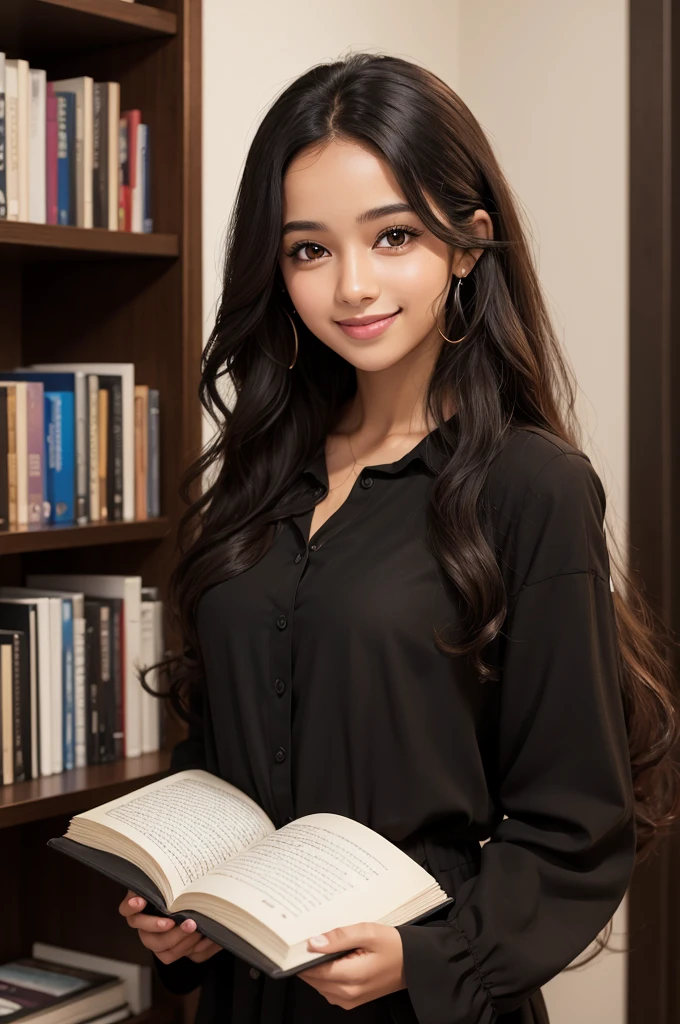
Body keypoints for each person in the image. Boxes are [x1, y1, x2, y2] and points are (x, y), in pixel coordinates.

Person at [118, 52, 680, 1024]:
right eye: (308, 250)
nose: (351, 285)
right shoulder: (252, 484)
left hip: (417, 1000)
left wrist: (432, 957)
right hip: (245, 995)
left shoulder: (530, 488)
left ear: (466, 244)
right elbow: (223, 748)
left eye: (392, 236)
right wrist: (183, 909)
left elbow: (577, 822)